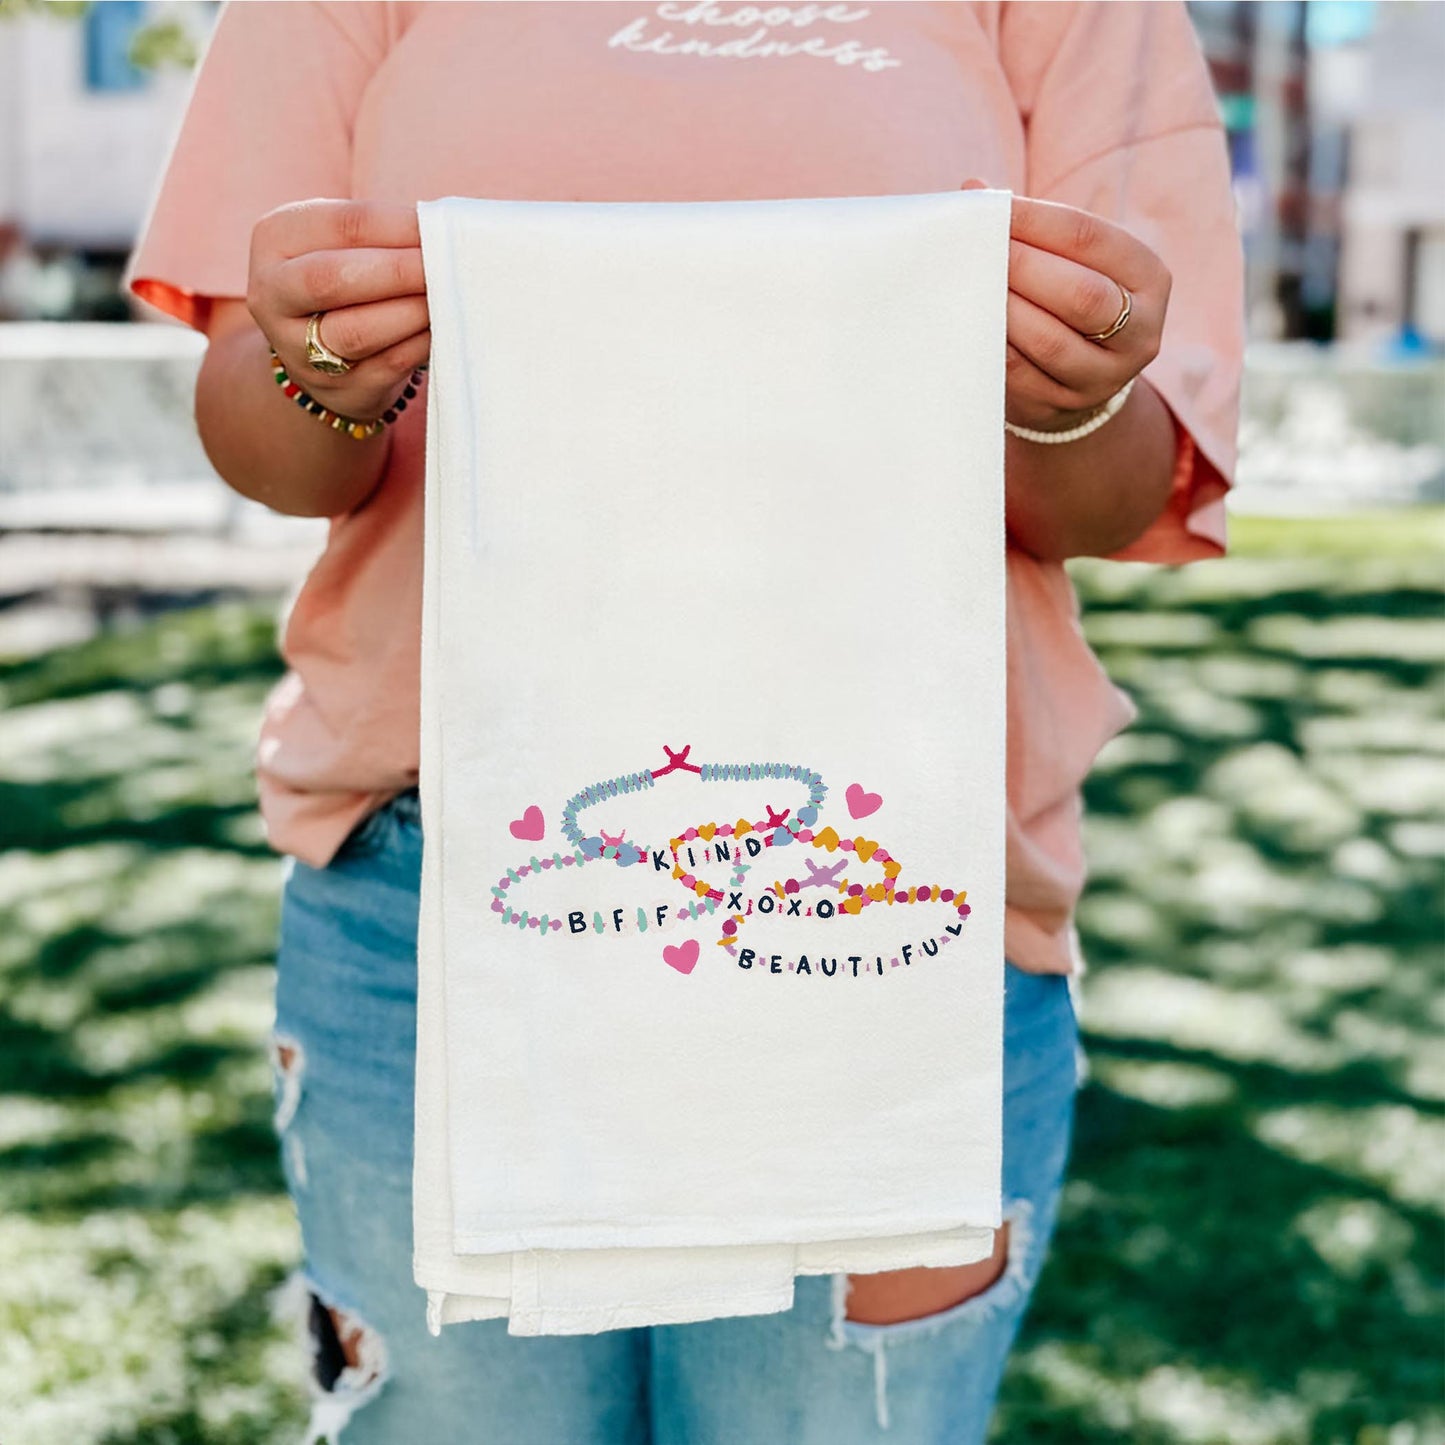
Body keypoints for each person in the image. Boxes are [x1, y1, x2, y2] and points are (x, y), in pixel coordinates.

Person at [123, 3, 1243, 1440]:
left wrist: (1065, 395)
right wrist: (317, 367)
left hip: (893, 901)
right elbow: (272, 441)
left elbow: (1106, 496)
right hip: (433, 898)